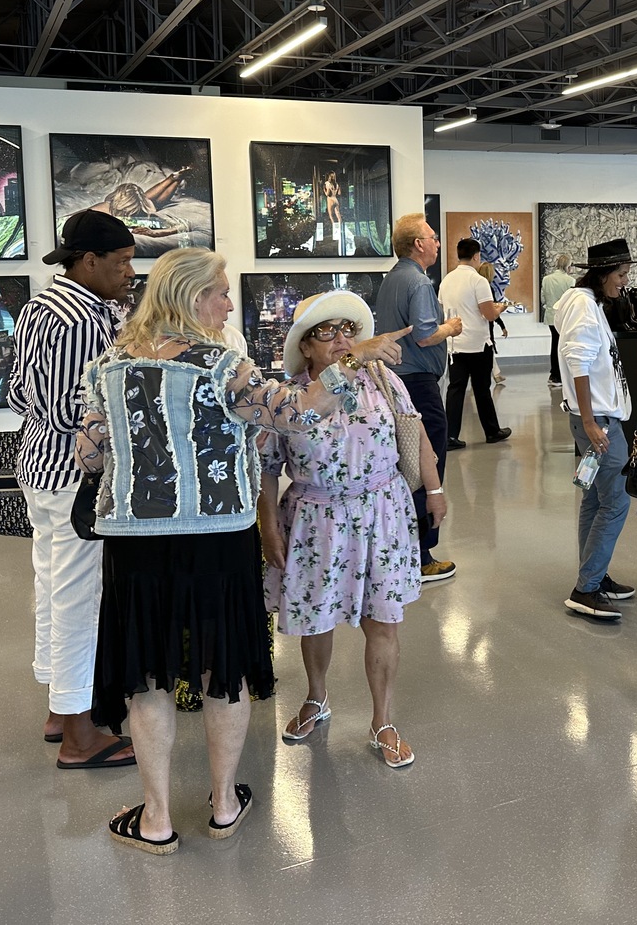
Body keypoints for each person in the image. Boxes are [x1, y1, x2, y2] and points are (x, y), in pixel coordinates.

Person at [78, 252, 405, 853]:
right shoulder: (221, 364)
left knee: (148, 675)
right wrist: (351, 361)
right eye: (221, 294)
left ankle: (155, 818)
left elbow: (91, 455)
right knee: (218, 667)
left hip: (136, 543)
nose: (229, 305)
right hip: (217, 535)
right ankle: (224, 804)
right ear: (193, 296)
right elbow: (293, 414)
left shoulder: (106, 367)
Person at [260, 292, 444, 768]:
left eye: (348, 330)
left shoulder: (381, 380)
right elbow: (264, 466)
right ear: (305, 345)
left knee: (383, 621)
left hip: (381, 514)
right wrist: (267, 527)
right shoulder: (287, 396)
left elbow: (416, 430)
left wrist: (436, 489)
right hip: (314, 520)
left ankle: (383, 720)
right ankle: (317, 698)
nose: (342, 340)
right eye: (327, 332)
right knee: (315, 619)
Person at [7, 209, 139, 769]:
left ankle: (60, 710)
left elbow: (18, 394)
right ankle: (80, 736)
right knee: (78, 600)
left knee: (53, 589)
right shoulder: (82, 320)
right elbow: (72, 411)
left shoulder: (41, 305)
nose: (130, 272)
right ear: (89, 261)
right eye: (122, 262)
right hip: (75, 478)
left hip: (40, 467)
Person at [374, 213, 463, 582]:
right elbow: (425, 335)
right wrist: (451, 327)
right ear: (418, 245)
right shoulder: (418, 282)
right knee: (427, 464)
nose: (438, 242)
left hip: (395, 380)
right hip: (419, 384)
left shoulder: (392, 279)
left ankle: (405, 547)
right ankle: (423, 554)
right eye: (432, 237)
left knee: (403, 465)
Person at [556, 238, 637, 620]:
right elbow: (578, 363)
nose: (624, 282)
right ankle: (586, 587)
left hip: (598, 418)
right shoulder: (584, 308)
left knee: (595, 500)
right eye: (621, 275)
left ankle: (594, 573)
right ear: (604, 273)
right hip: (599, 421)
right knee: (616, 502)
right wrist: (590, 421)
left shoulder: (584, 303)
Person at [438, 238, 511, 446]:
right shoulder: (478, 281)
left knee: (455, 390)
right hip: (478, 345)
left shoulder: (446, 280)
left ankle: (450, 436)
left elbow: (441, 309)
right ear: (476, 256)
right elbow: (488, 314)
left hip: (455, 344)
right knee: (481, 389)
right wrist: (500, 308)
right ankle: (492, 431)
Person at [541, 253, 574, 388]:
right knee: (563, 346)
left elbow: (543, 298)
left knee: (555, 343)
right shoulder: (570, 281)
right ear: (568, 266)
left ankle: (554, 374)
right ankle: (561, 375)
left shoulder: (546, 279)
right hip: (565, 317)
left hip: (550, 316)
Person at [476, 261, 508, 386]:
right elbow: (492, 310)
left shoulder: (476, 286)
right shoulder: (487, 289)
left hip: (480, 323)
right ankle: (493, 375)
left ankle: (496, 374)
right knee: (487, 348)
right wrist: (502, 325)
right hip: (486, 324)